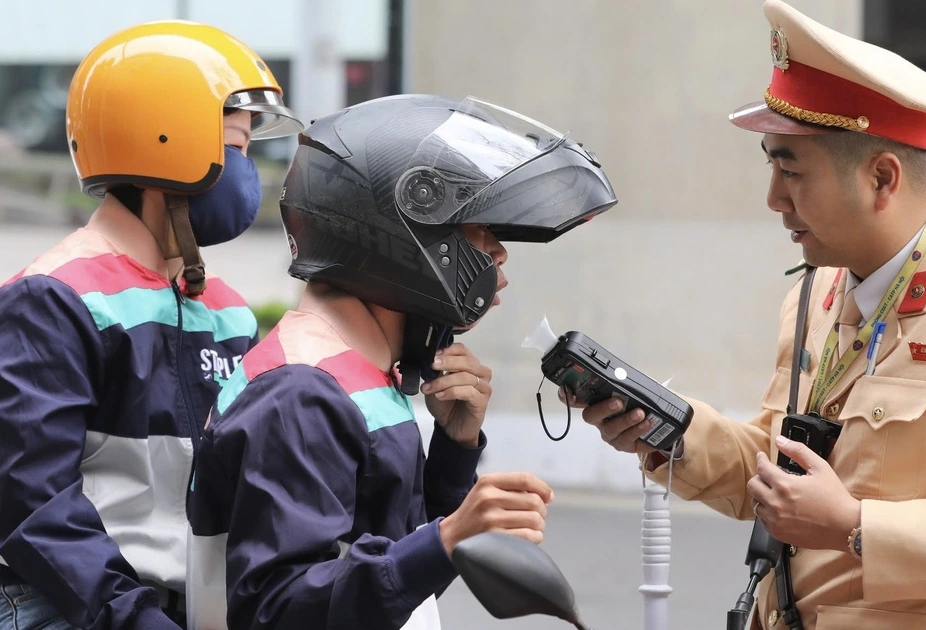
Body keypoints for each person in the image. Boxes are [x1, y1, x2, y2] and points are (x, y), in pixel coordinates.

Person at [575, 1, 926, 628]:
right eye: (770, 165)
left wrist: (855, 527)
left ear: (882, 178)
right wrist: (673, 434)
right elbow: (778, 472)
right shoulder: (817, 294)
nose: (773, 198)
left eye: (791, 170)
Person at [183, 94, 617, 630]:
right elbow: (278, 609)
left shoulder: (354, 375)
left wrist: (453, 455)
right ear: (399, 232)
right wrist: (447, 538)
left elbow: (387, 578)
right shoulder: (300, 393)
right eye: (480, 228)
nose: (499, 254)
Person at [0, 20, 304, 630]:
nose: (248, 176)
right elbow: (38, 510)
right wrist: (134, 618)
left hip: (178, 604)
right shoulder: (49, 302)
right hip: (55, 604)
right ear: (163, 143)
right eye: (235, 150)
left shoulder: (222, 307)